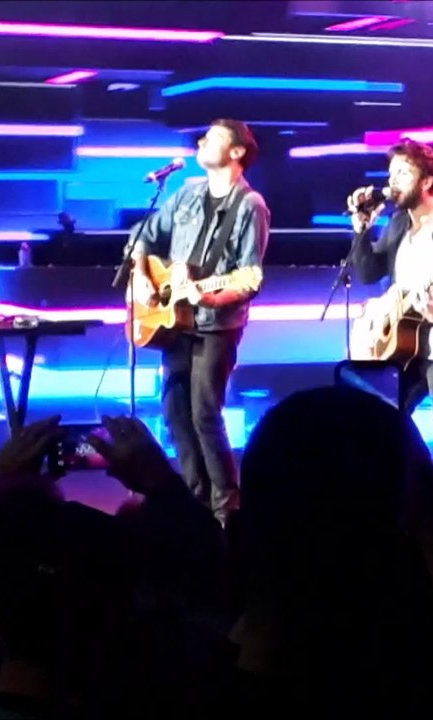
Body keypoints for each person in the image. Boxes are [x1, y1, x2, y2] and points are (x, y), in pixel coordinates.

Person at [129, 118, 270, 524]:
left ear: (238, 152)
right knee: (175, 412)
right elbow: (143, 237)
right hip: (173, 323)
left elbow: (249, 277)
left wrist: (208, 294)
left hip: (216, 325)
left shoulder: (250, 206)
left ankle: (228, 510)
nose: (202, 140)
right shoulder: (185, 193)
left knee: (205, 413)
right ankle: (195, 501)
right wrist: (141, 277)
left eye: (214, 136)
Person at [347, 140, 433, 512]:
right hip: (404, 345)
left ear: (426, 181)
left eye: (403, 173)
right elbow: (368, 272)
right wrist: (360, 230)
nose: (393, 181)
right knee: (388, 420)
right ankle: (411, 500)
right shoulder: (397, 223)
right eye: (391, 173)